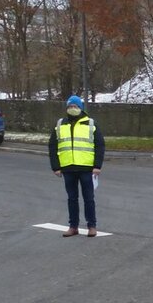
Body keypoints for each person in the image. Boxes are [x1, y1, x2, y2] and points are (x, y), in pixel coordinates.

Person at [49, 95, 105, 237]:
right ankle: (73, 226)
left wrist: (97, 166)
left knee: (89, 198)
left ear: (81, 108)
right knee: (72, 199)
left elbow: (99, 146)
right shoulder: (61, 124)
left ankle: (92, 226)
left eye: (75, 106)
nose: (72, 109)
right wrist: (56, 167)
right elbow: (53, 146)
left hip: (86, 168)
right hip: (68, 167)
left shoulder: (90, 123)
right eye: (70, 106)